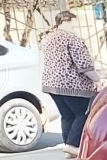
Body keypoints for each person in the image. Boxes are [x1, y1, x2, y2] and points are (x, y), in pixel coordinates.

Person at [39, 10, 101, 152]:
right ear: (66, 22)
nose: (75, 27)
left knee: (67, 115)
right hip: (70, 84)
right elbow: (83, 64)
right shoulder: (71, 39)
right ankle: (73, 145)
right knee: (82, 113)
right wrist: (97, 79)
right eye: (73, 24)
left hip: (51, 84)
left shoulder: (49, 39)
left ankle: (68, 145)